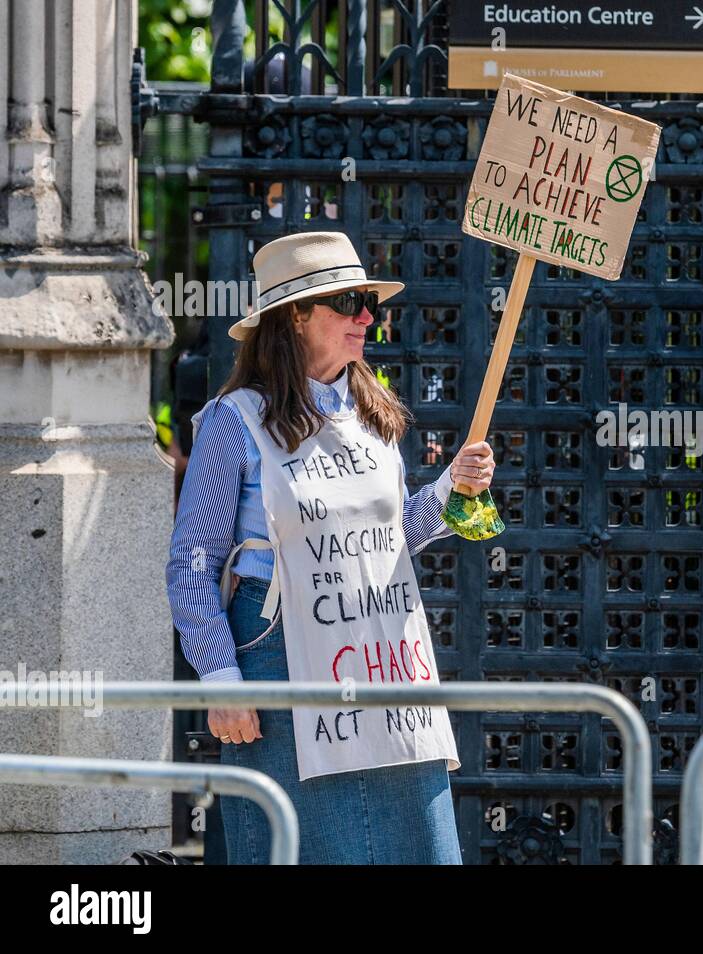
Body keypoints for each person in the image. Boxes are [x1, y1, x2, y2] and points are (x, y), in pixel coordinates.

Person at [166, 231, 496, 864]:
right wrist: (221, 677)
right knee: (302, 844)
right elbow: (192, 564)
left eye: (369, 301)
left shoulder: (373, 413)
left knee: (410, 841)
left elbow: (392, 537)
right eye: (349, 302)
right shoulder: (232, 422)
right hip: (276, 653)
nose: (367, 317)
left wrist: (451, 488)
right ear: (293, 316)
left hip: (380, 652)